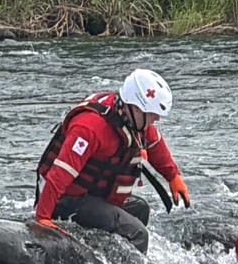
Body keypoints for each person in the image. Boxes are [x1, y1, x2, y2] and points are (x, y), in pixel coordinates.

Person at [35, 68, 192, 253]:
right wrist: (43, 218)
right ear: (135, 106)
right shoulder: (90, 128)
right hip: (66, 201)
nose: (156, 119)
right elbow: (60, 174)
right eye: (152, 114)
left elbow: (155, 144)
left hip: (93, 196)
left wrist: (173, 176)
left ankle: (112, 256)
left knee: (140, 209)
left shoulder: (130, 118)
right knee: (137, 234)